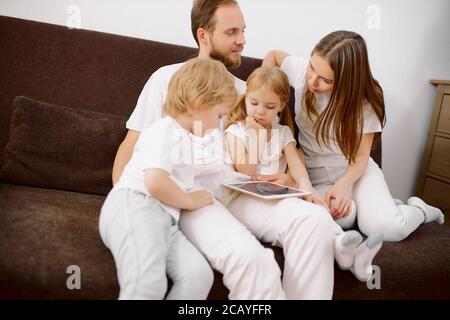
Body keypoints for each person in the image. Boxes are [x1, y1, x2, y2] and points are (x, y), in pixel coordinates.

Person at [112, 0, 336, 299]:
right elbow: (132, 146)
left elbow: (280, 150)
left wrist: (290, 181)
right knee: (251, 261)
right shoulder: (167, 79)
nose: (242, 40)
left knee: (315, 221)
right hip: (192, 194)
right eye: (232, 32)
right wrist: (128, 207)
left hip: (239, 188)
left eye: (243, 31)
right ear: (203, 35)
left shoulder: (251, 93)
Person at [262, 30, 445, 243]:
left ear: (347, 81)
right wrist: (259, 89)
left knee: (388, 229)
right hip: (316, 176)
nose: (312, 81)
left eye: (326, 80)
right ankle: (374, 207)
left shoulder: (364, 102)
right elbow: (274, 55)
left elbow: (360, 159)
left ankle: (419, 210)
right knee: (330, 219)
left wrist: (342, 187)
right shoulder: (303, 71)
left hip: (355, 174)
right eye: (312, 67)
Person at [224, 65, 383, 282]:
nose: (260, 111)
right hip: (252, 198)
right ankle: (344, 251)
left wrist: (304, 187)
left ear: (280, 106)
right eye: (253, 103)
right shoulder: (236, 130)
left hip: (280, 193)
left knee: (313, 209)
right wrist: (258, 136)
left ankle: (344, 246)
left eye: (269, 106)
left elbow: (296, 164)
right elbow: (245, 170)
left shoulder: (283, 132)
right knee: (300, 220)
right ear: (245, 98)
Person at [99, 58, 238, 299]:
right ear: (198, 104)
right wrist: (190, 200)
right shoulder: (167, 129)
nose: (218, 126)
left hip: (164, 218)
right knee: (147, 284)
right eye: (218, 116)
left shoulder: (185, 139)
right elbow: (154, 182)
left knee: (198, 276)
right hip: (136, 206)